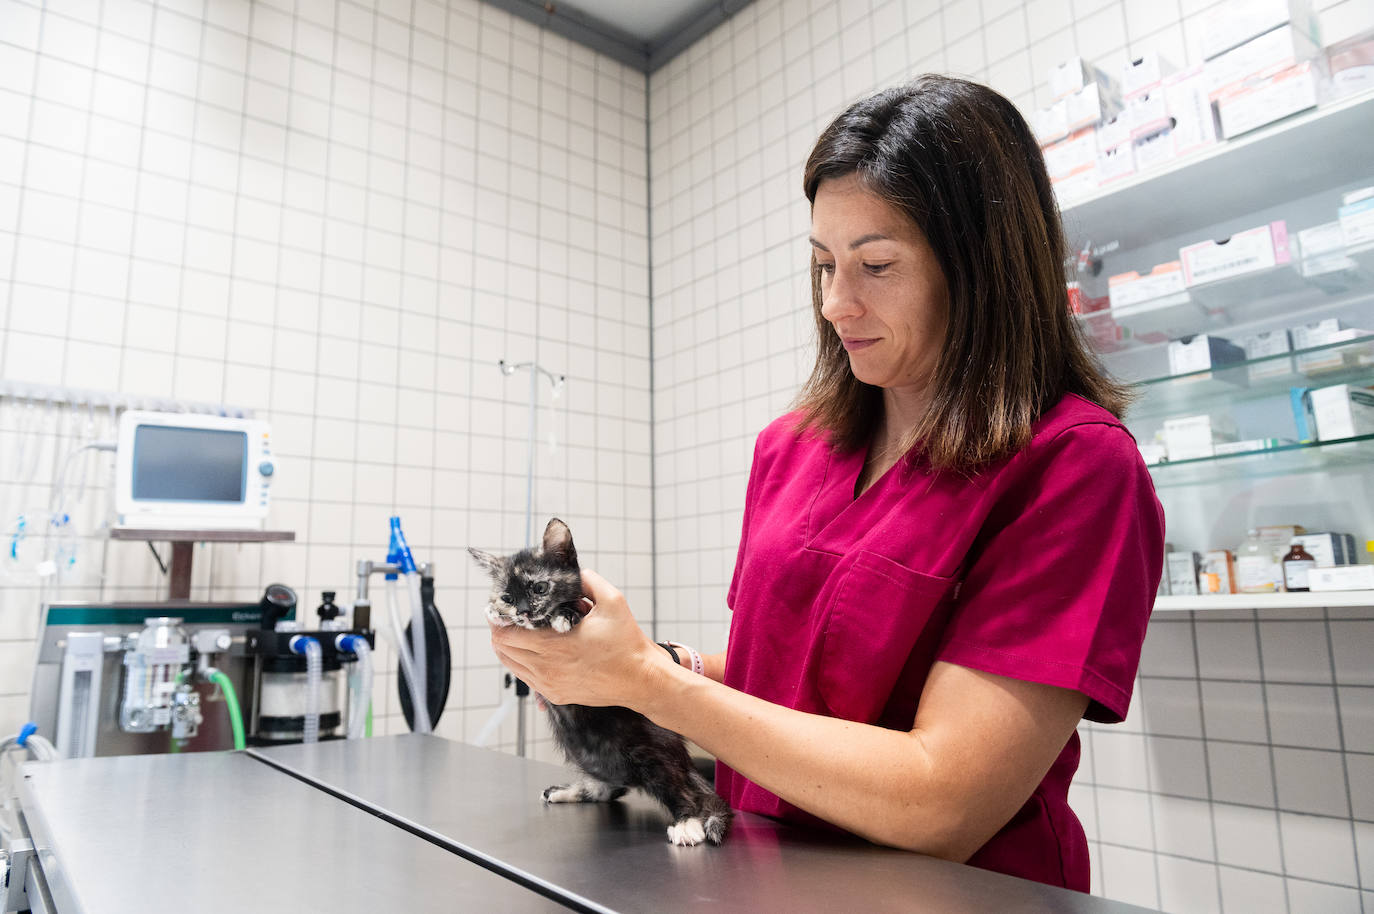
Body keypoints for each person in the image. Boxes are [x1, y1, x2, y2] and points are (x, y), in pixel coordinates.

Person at [491, 75, 1165, 892]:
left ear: (981, 269)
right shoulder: (792, 447)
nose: (837, 304)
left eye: (875, 265)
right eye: (822, 264)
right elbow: (792, 662)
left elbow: (945, 801)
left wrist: (650, 683)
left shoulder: (1074, 468)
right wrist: (644, 664)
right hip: (766, 876)